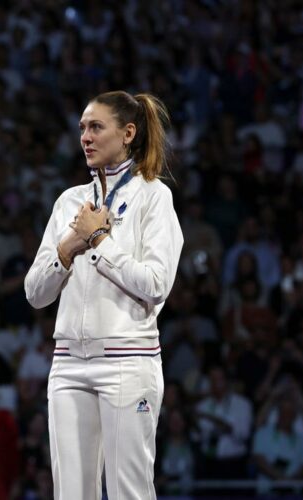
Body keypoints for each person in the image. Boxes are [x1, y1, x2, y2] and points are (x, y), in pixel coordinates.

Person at [24, 91, 183, 499]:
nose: (86, 137)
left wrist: (98, 239)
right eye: (82, 128)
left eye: (96, 127)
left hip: (128, 362)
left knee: (130, 491)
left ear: (128, 133)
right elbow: (35, 294)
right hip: (67, 366)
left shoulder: (154, 197)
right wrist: (67, 248)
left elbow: (156, 284)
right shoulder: (69, 203)